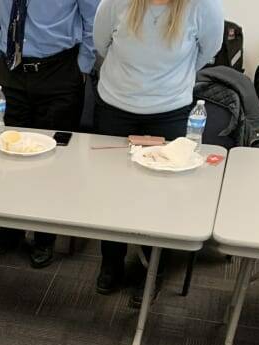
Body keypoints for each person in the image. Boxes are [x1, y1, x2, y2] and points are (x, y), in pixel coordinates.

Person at [93, 0, 223, 300]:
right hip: (116, 107)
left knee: (162, 197)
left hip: (170, 112)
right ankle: (111, 262)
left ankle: (152, 271)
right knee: (112, 191)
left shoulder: (204, 7)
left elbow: (207, 52)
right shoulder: (115, 3)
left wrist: (166, 83)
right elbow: (101, 44)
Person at [0, 0, 99, 268]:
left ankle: (45, 235)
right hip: (11, 72)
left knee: (52, 161)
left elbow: (94, 18)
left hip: (59, 71)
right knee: (8, 154)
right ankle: (9, 229)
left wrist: (82, 67)